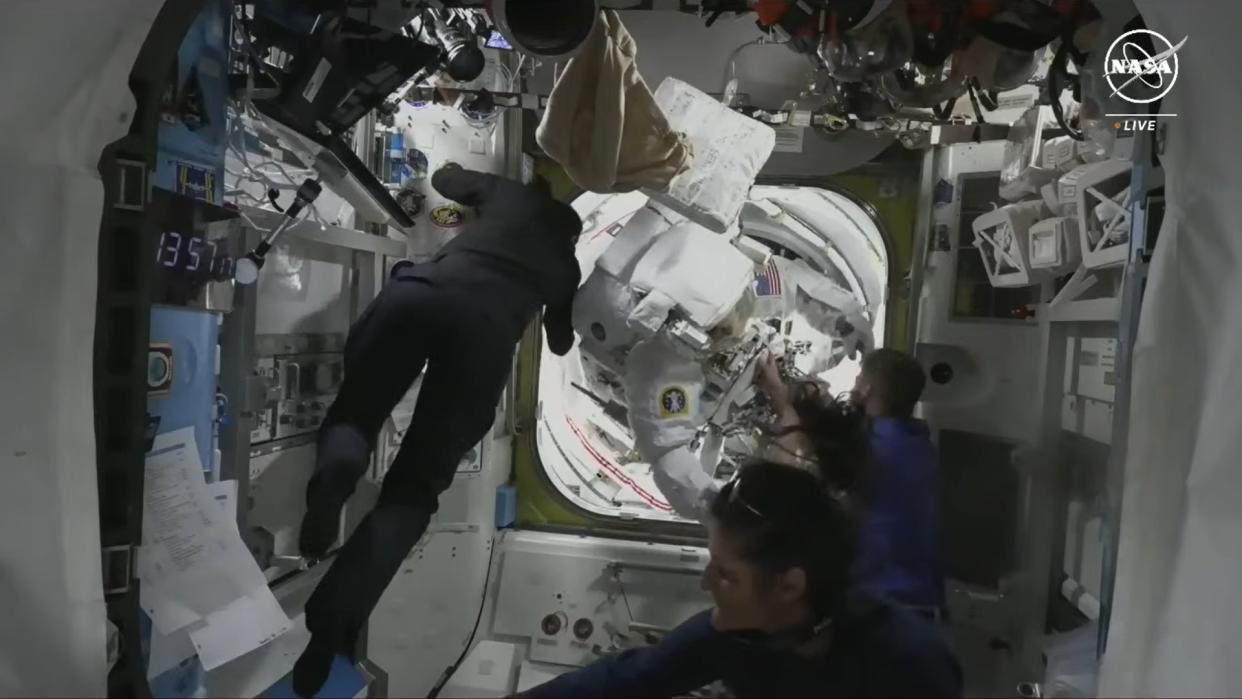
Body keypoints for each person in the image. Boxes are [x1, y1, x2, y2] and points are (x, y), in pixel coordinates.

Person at [292, 164, 583, 696]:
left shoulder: (510, 195)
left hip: (422, 294)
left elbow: (446, 179)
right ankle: (329, 630)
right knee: (412, 493)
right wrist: (559, 291)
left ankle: (335, 478)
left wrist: (483, 198)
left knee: (358, 412)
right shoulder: (566, 266)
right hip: (484, 340)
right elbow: (561, 344)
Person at [519, 450, 963, 697]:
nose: (706, 584)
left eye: (725, 574)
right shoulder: (739, 636)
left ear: (790, 585)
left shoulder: (912, 662)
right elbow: (625, 682)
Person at [756, 347, 944, 613]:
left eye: (857, 380)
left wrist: (780, 397)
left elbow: (794, 467)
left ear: (866, 390)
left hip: (882, 603)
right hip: (923, 600)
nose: (854, 387)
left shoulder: (869, 449)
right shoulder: (917, 444)